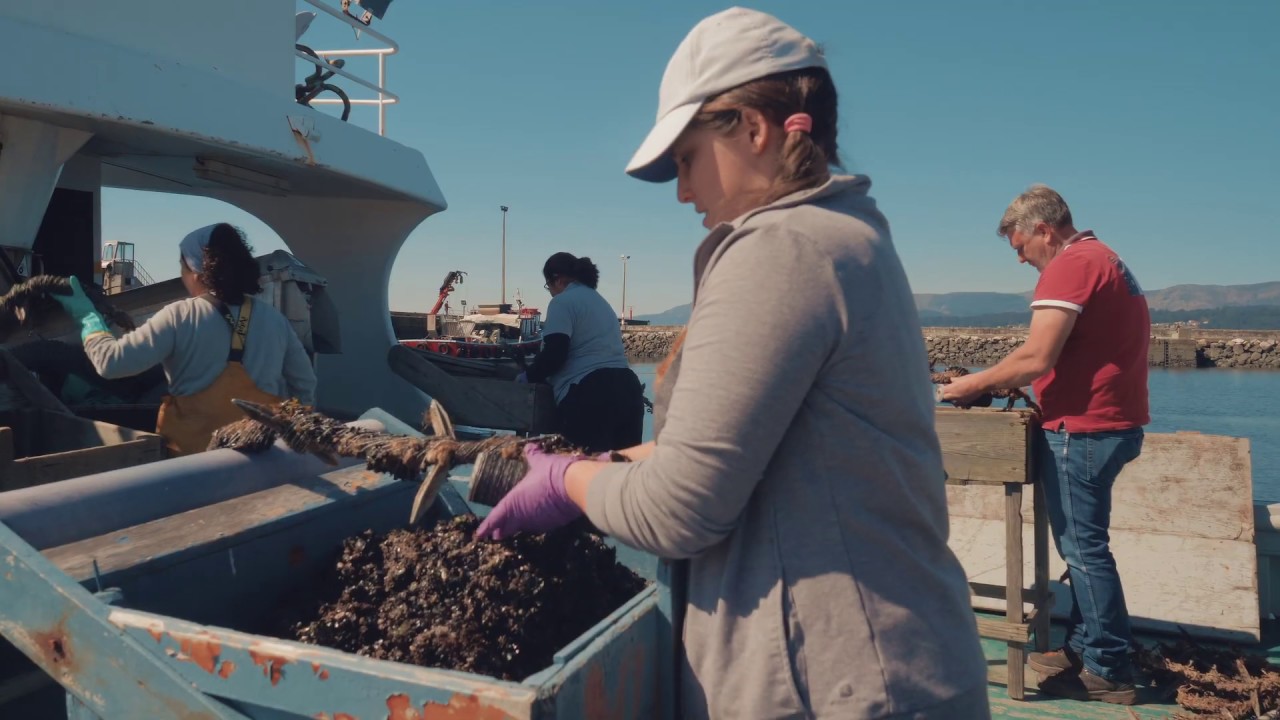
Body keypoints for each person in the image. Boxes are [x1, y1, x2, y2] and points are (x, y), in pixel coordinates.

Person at [477, 8, 990, 718]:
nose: (683, 191)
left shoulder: (781, 249)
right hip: (890, 667)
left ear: (753, 129)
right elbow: (757, 449)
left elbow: (678, 511)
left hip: (841, 685)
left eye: (687, 159)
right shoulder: (844, 237)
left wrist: (568, 480)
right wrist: (609, 461)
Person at [941, 184, 1150, 705]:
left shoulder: (1070, 265)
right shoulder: (1105, 258)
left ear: (1043, 229)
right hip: (1113, 423)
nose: (1020, 259)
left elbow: (1037, 357)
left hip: (1083, 429)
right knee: (1086, 547)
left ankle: (1108, 668)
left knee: (1084, 552)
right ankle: (1084, 648)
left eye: (1020, 247)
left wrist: (969, 385)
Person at [53, 223, 317, 456]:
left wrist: (87, 318)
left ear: (196, 271)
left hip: (193, 466)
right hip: (260, 460)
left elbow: (111, 364)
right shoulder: (275, 320)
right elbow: (305, 384)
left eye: (182, 267)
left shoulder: (179, 316)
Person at [519, 252, 645, 454]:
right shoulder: (600, 302)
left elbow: (555, 354)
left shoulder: (562, 302)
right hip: (628, 389)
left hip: (591, 392)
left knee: (582, 468)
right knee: (623, 469)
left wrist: (528, 376)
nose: (550, 293)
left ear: (558, 280)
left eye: (548, 286)